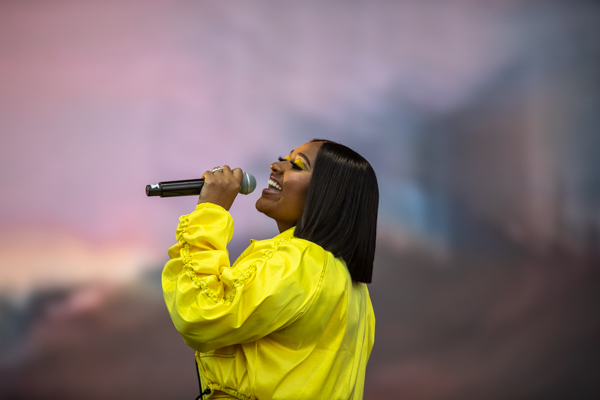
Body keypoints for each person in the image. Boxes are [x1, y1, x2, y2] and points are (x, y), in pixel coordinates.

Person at [162, 139, 379, 399]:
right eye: (283, 158)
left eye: (297, 166)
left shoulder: (300, 261)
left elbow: (201, 314)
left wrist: (210, 212)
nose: (275, 166)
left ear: (329, 195)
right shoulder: (355, 291)